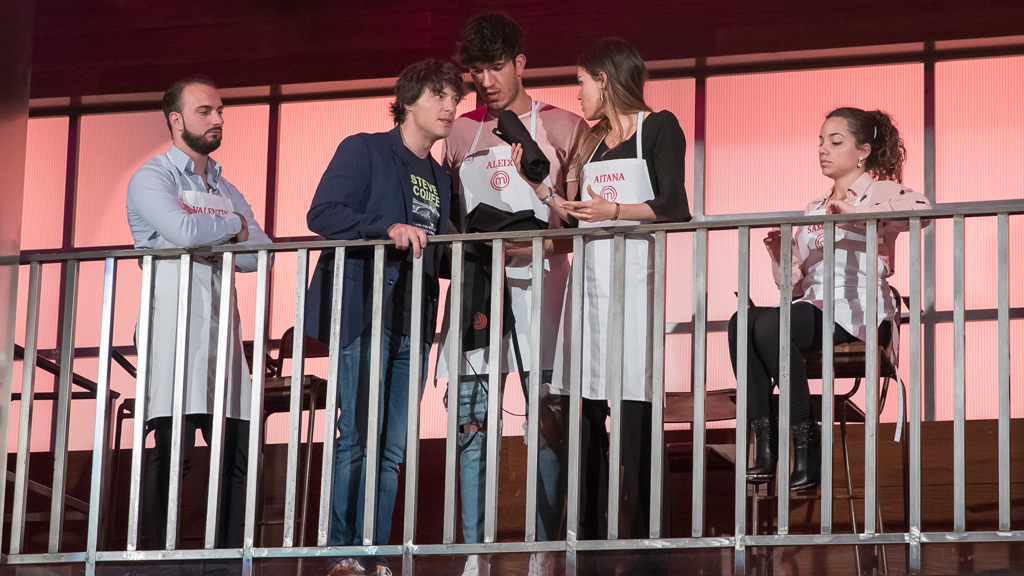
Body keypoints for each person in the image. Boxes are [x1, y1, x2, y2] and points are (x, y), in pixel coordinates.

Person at [438, 13, 589, 576]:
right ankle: (475, 551)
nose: (487, 81)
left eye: (496, 67)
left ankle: (543, 550)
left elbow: (579, 220)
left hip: (545, 293)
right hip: (478, 291)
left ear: (520, 62)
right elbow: (449, 219)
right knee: (472, 420)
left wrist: (541, 243)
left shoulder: (564, 126)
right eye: (477, 70)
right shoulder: (459, 133)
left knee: (546, 423)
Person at [304, 58, 464, 576]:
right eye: (440, 95)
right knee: (357, 437)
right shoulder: (365, 149)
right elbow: (323, 213)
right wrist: (386, 228)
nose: (450, 106)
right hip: (365, 312)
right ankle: (342, 554)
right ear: (409, 100)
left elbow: (439, 252)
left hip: (414, 320)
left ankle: (372, 554)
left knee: (393, 448)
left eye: (455, 98)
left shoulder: (440, 175)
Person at [728, 107, 932, 491]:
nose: (823, 149)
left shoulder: (882, 191)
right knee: (743, 322)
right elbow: (794, 288)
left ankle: (806, 445)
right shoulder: (813, 208)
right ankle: (766, 446)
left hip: (858, 308)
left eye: (835, 142)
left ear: (863, 151)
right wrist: (781, 255)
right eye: (821, 141)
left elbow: (923, 212)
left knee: (772, 326)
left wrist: (854, 213)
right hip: (814, 305)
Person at [545, 38, 690, 550]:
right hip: (588, 286)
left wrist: (614, 212)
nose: (578, 95)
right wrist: (542, 189)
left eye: (581, 83)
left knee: (636, 413)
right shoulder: (591, 141)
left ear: (604, 80)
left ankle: (648, 542)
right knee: (584, 414)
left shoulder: (660, 127)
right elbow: (572, 216)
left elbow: (673, 206)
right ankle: (587, 539)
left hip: (633, 285)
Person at [126, 76, 272, 551]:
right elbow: (184, 231)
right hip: (172, 331)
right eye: (205, 111)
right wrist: (232, 226)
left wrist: (214, 233)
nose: (217, 119)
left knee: (237, 454)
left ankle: (228, 556)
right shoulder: (152, 177)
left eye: (220, 110)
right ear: (176, 119)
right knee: (174, 452)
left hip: (222, 337)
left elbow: (259, 253)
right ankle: (159, 556)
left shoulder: (224, 184)